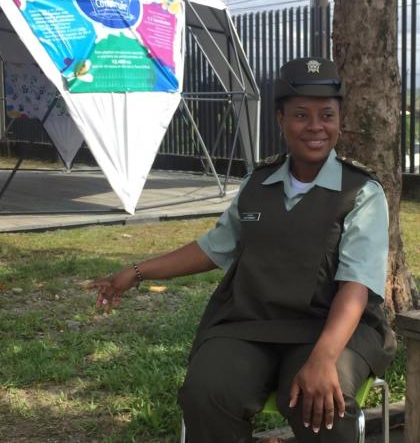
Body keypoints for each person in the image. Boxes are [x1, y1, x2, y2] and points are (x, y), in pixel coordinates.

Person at [88, 57, 395, 443]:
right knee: (207, 391)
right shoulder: (258, 184)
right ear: (281, 119)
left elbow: (356, 285)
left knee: (318, 403)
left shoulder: (361, 192)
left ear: (339, 121)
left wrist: (324, 357)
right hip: (252, 324)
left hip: (329, 328)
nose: (316, 127)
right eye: (301, 115)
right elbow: (214, 247)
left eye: (327, 116)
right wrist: (136, 272)